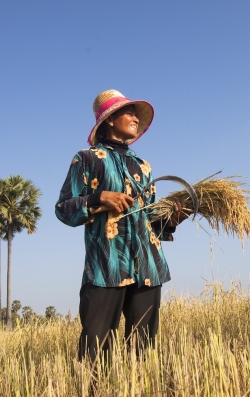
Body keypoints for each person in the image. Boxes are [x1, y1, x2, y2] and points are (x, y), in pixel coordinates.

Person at [55, 89, 185, 361]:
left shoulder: (143, 166)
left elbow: (152, 221)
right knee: (96, 351)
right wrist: (97, 198)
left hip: (148, 266)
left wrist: (172, 219)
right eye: (129, 112)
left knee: (143, 350)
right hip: (107, 266)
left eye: (137, 114)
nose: (136, 118)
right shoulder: (88, 158)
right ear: (110, 120)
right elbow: (63, 209)